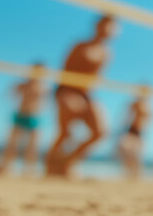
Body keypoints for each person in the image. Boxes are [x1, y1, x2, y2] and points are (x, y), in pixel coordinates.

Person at [46, 14, 118, 178]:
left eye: (112, 27)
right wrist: (65, 95)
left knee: (101, 132)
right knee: (65, 133)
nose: (108, 30)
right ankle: (49, 165)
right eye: (105, 25)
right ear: (97, 26)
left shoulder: (107, 53)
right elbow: (64, 73)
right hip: (67, 90)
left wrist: (87, 98)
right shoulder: (80, 45)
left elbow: (97, 78)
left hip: (87, 94)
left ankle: (68, 162)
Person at [0, 62, 48, 176]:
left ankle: (29, 170)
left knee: (33, 146)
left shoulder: (45, 86)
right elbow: (9, 93)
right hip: (21, 115)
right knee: (12, 144)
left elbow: (45, 102)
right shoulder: (24, 84)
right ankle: (7, 168)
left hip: (35, 117)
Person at [116, 86, 152, 179]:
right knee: (124, 150)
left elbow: (149, 121)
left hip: (140, 133)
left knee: (136, 155)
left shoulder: (149, 106)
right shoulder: (135, 103)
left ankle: (136, 175)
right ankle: (130, 172)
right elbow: (127, 117)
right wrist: (121, 130)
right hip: (131, 130)